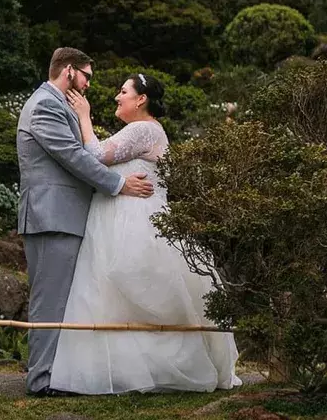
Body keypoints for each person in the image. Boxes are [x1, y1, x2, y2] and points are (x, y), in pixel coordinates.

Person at [49, 73, 242, 394]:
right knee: (111, 294)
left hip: (134, 223)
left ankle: (153, 369)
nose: (117, 97)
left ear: (141, 99)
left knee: (130, 286)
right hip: (117, 220)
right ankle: (127, 370)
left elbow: (95, 155)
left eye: (123, 91)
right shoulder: (139, 130)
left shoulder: (143, 129)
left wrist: (84, 117)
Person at [16, 48, 154, 397]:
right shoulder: (46, 105)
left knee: (59, 299)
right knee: (49, 301)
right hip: (52, 216)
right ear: (68, 71)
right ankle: (41, 381)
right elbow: (73, 157)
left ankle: (50, 374)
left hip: (62, 215)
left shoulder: (56, 104)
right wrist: (120, 185)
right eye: (86, 76)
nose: (90, 84)